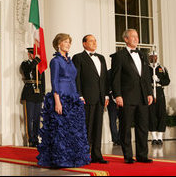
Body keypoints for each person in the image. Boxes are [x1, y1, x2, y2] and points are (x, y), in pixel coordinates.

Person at [37, 33, 90, 168]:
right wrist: (57, 101)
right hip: (61, 97)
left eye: (69, 42)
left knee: (73, 130)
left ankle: (73, 158)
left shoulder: (70, 61)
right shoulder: (55, 61)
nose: (68, 44)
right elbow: (54, 82)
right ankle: (61, 159)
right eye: (65, 42)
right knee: (61, 132)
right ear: (58, 44)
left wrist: (78, 96)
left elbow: (74, 80)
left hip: (73, 97)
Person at [110, 29, 153, 164]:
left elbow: (146, 76)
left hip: (142, 97)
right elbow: (115, 78)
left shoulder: (142, 55)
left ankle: (142, 155)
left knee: (142, 127)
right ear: (126, 39)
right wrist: (117, 95)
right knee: (125, 127)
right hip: (126, 97)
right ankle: (128, 156)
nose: (136, 38)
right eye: (132, 36)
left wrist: (149, 92)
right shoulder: (119, 56)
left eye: (137, 36)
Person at [72, 34, 109, 164]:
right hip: (86, 98)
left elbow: (104, 78)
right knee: (86, 128)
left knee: (98, 128)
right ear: (84, 43)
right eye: (91, 41)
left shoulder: (101, 58)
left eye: (95, 40)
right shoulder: (78, 57)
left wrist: (106, 95)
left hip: (100, 98)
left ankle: (97, 155)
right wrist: (79, 95)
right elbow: (77, 78)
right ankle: (84, 155)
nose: (94, 43)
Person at [20, 47, 45, 147]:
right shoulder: (25, 63)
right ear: (29, 55)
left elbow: (42, 80)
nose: (33, 56)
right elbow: (27, 70)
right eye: (32, 54)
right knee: (29, 117)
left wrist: (43, 93)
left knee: (37, 117)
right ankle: (30, 138)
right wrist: (35, 61)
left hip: (38, 93)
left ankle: (36, 137)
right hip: (29, 92)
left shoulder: (39, 65)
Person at [148, 50, 170, 145]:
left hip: (159, 91)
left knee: (161, 113)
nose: (153, 58)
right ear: (149, 58)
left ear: (157, 57)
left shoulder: (162, 68)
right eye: (151, 56)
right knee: (151, 114)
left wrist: (159, 80)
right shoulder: (146, 68)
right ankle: (154, 137)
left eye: (155, 56)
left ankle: (160, 137)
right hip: (150, 91)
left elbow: (167, 81)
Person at [106, 70, 122, 146]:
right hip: (112, 100)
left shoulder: (122, 71)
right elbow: (106, 84)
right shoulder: (109, 72)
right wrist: (112, 94)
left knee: (123, 120)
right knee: (113, 120)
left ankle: (121, 138)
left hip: (122, 99)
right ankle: (115, 139)